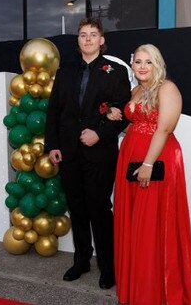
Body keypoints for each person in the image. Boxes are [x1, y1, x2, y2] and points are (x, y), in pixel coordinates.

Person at [108, 44, 191, 304]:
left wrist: (148, 164)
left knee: (153, 220)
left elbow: (164, 129)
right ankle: (139, 281)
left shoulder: (166, 88)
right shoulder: (136, 90)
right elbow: (135, 127)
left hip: (158, 158)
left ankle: (157, 285)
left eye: (148, 62)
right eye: (138, 61)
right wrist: (118, 117)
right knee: (137, 219)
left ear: (157, 64)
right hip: (131, 156)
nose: (142, 66)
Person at [45, 18, 131, 289]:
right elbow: (55, 111)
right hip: (69, 152)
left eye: (93, 34)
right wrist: (53, 145)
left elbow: (123, 112)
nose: (88, 39)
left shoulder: (115, 71)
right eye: (83, 35)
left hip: (100, 153)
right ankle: (81, 260)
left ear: (102, 39)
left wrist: (100, 133)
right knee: (78, 209)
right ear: (78, 40)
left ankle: (108, 267)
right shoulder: (65, 71)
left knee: (100, 209)